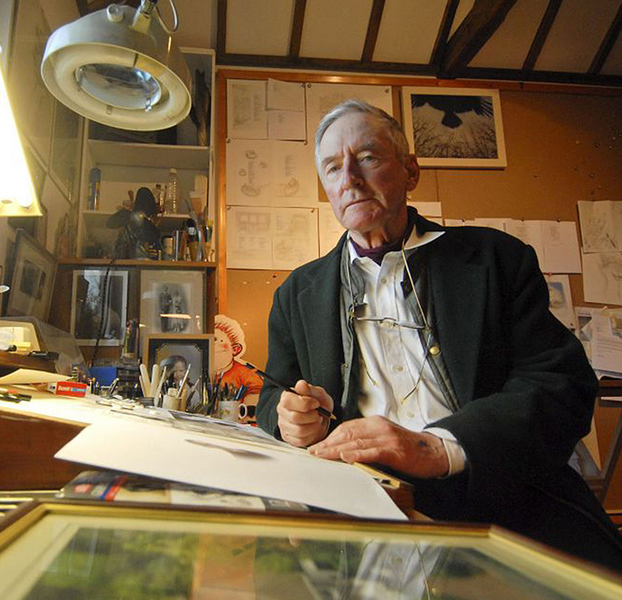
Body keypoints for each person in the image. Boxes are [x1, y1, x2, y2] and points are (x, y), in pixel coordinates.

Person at [255, 99, 622, 572]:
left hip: (501, 498)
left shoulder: (496, 260)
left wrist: (435, 448)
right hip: (362, 511)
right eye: (332, 167)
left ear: (411, 171)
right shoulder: (296, 293)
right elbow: (273, 395)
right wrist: (290, 418)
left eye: (367, 157)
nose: (349, 178)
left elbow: (561, 386)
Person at [214, 315, 263, 418]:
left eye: (216, 340)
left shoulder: (245, 373)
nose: (213, 346)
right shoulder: (206, 374)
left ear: (235, 349)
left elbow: (257, 394)